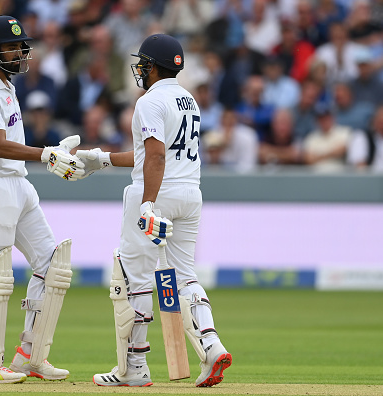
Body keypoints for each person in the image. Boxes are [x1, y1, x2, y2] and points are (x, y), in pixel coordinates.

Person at [76, 34, 232, 387]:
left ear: (155, 66)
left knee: (134, 281)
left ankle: (134, 369)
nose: (140, 69)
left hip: (156, 194)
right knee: (184, 275)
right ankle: (211, 345)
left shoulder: (149, 101)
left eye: (144, 63)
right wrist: (102, 159)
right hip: (190, 194)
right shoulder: (188, 99)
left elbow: (157, 156)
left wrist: (147, 202)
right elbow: (152, 153)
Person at [0, 15, 85, 385]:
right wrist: (46, 155)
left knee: (52, 263)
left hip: (17, 184)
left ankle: (30, 354)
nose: (21, 52)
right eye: (12, 46)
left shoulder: (5, 85)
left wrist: (47, 154)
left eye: (22, 45)